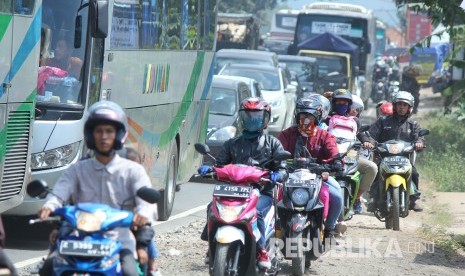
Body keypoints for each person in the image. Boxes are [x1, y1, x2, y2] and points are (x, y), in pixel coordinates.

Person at [37, 101, 157, 276]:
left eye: (109, 131)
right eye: (99, 131)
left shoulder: (133, 171)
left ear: (118, 135)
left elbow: (146, 201)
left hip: (118, 242)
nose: (104, 137)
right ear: (91, 135)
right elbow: (59, 193)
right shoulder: (77, 170)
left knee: (130, 272)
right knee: (48, 269)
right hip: (77, 240)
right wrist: (49, 206)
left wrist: (142, 213)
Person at [199, 97, 288, 269]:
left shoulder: (272, 143)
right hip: (232, 191)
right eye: (248, 116)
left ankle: (261, 249)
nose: (252, 120)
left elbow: (283, 167)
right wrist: (208, 168)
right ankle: (211, 248)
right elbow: (219, 164)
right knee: (212, 208)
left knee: (258, 213)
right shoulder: (232, 143)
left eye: (257, 116)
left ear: (266, 119)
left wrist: (279, 174)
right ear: (241, 118)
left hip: (261, 192)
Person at [278, 97, 343, 243]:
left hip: (318, 177)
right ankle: (276, 226)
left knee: (336, 196)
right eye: (303, 115)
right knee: (272, 195)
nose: (306, 119)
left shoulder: (325, 136)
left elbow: (334, 155)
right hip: (288, 177)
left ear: (318, 117)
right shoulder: (287, 134)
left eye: (310, 115)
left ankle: (329, 229)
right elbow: (276, 152)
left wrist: (336, 163)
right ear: (297, 116)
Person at [359, 91, 425, 212]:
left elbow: (419, 137)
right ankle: (373, 198)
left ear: (409, 108)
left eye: (405, 105)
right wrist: (370, 142)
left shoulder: (413, 125)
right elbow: (372, 135)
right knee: (376, 171)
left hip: (404, 158)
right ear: (394, 106)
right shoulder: (382, 121)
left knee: (414, 173)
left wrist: (419, 143)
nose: (401, 107)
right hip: (384, 157)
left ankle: (413, 199)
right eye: (399, 104)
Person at [347, 95, 379, 214]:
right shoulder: (331, 120)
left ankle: (356, 197)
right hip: (333, 157)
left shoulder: (356, 123)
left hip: (351, 157)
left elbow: (361, 134)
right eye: (350, 107)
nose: (353, 110)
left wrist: (368, 142)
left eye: (356, 109)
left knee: (372, 167)